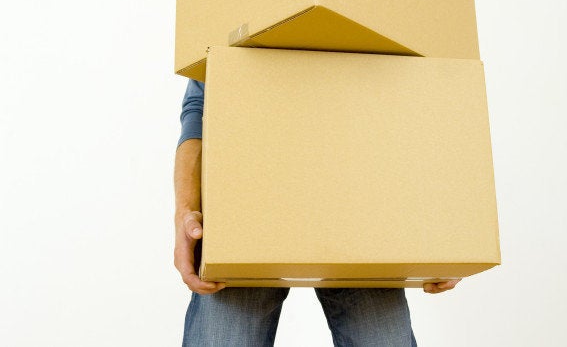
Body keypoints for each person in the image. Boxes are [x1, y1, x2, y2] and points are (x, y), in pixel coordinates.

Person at [174, 79, 461, 346]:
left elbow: (424, 89)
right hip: (249, 200)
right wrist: (186, 212)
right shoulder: (225, 23)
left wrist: (450, 221)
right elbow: (200, 108)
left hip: (360, 200)